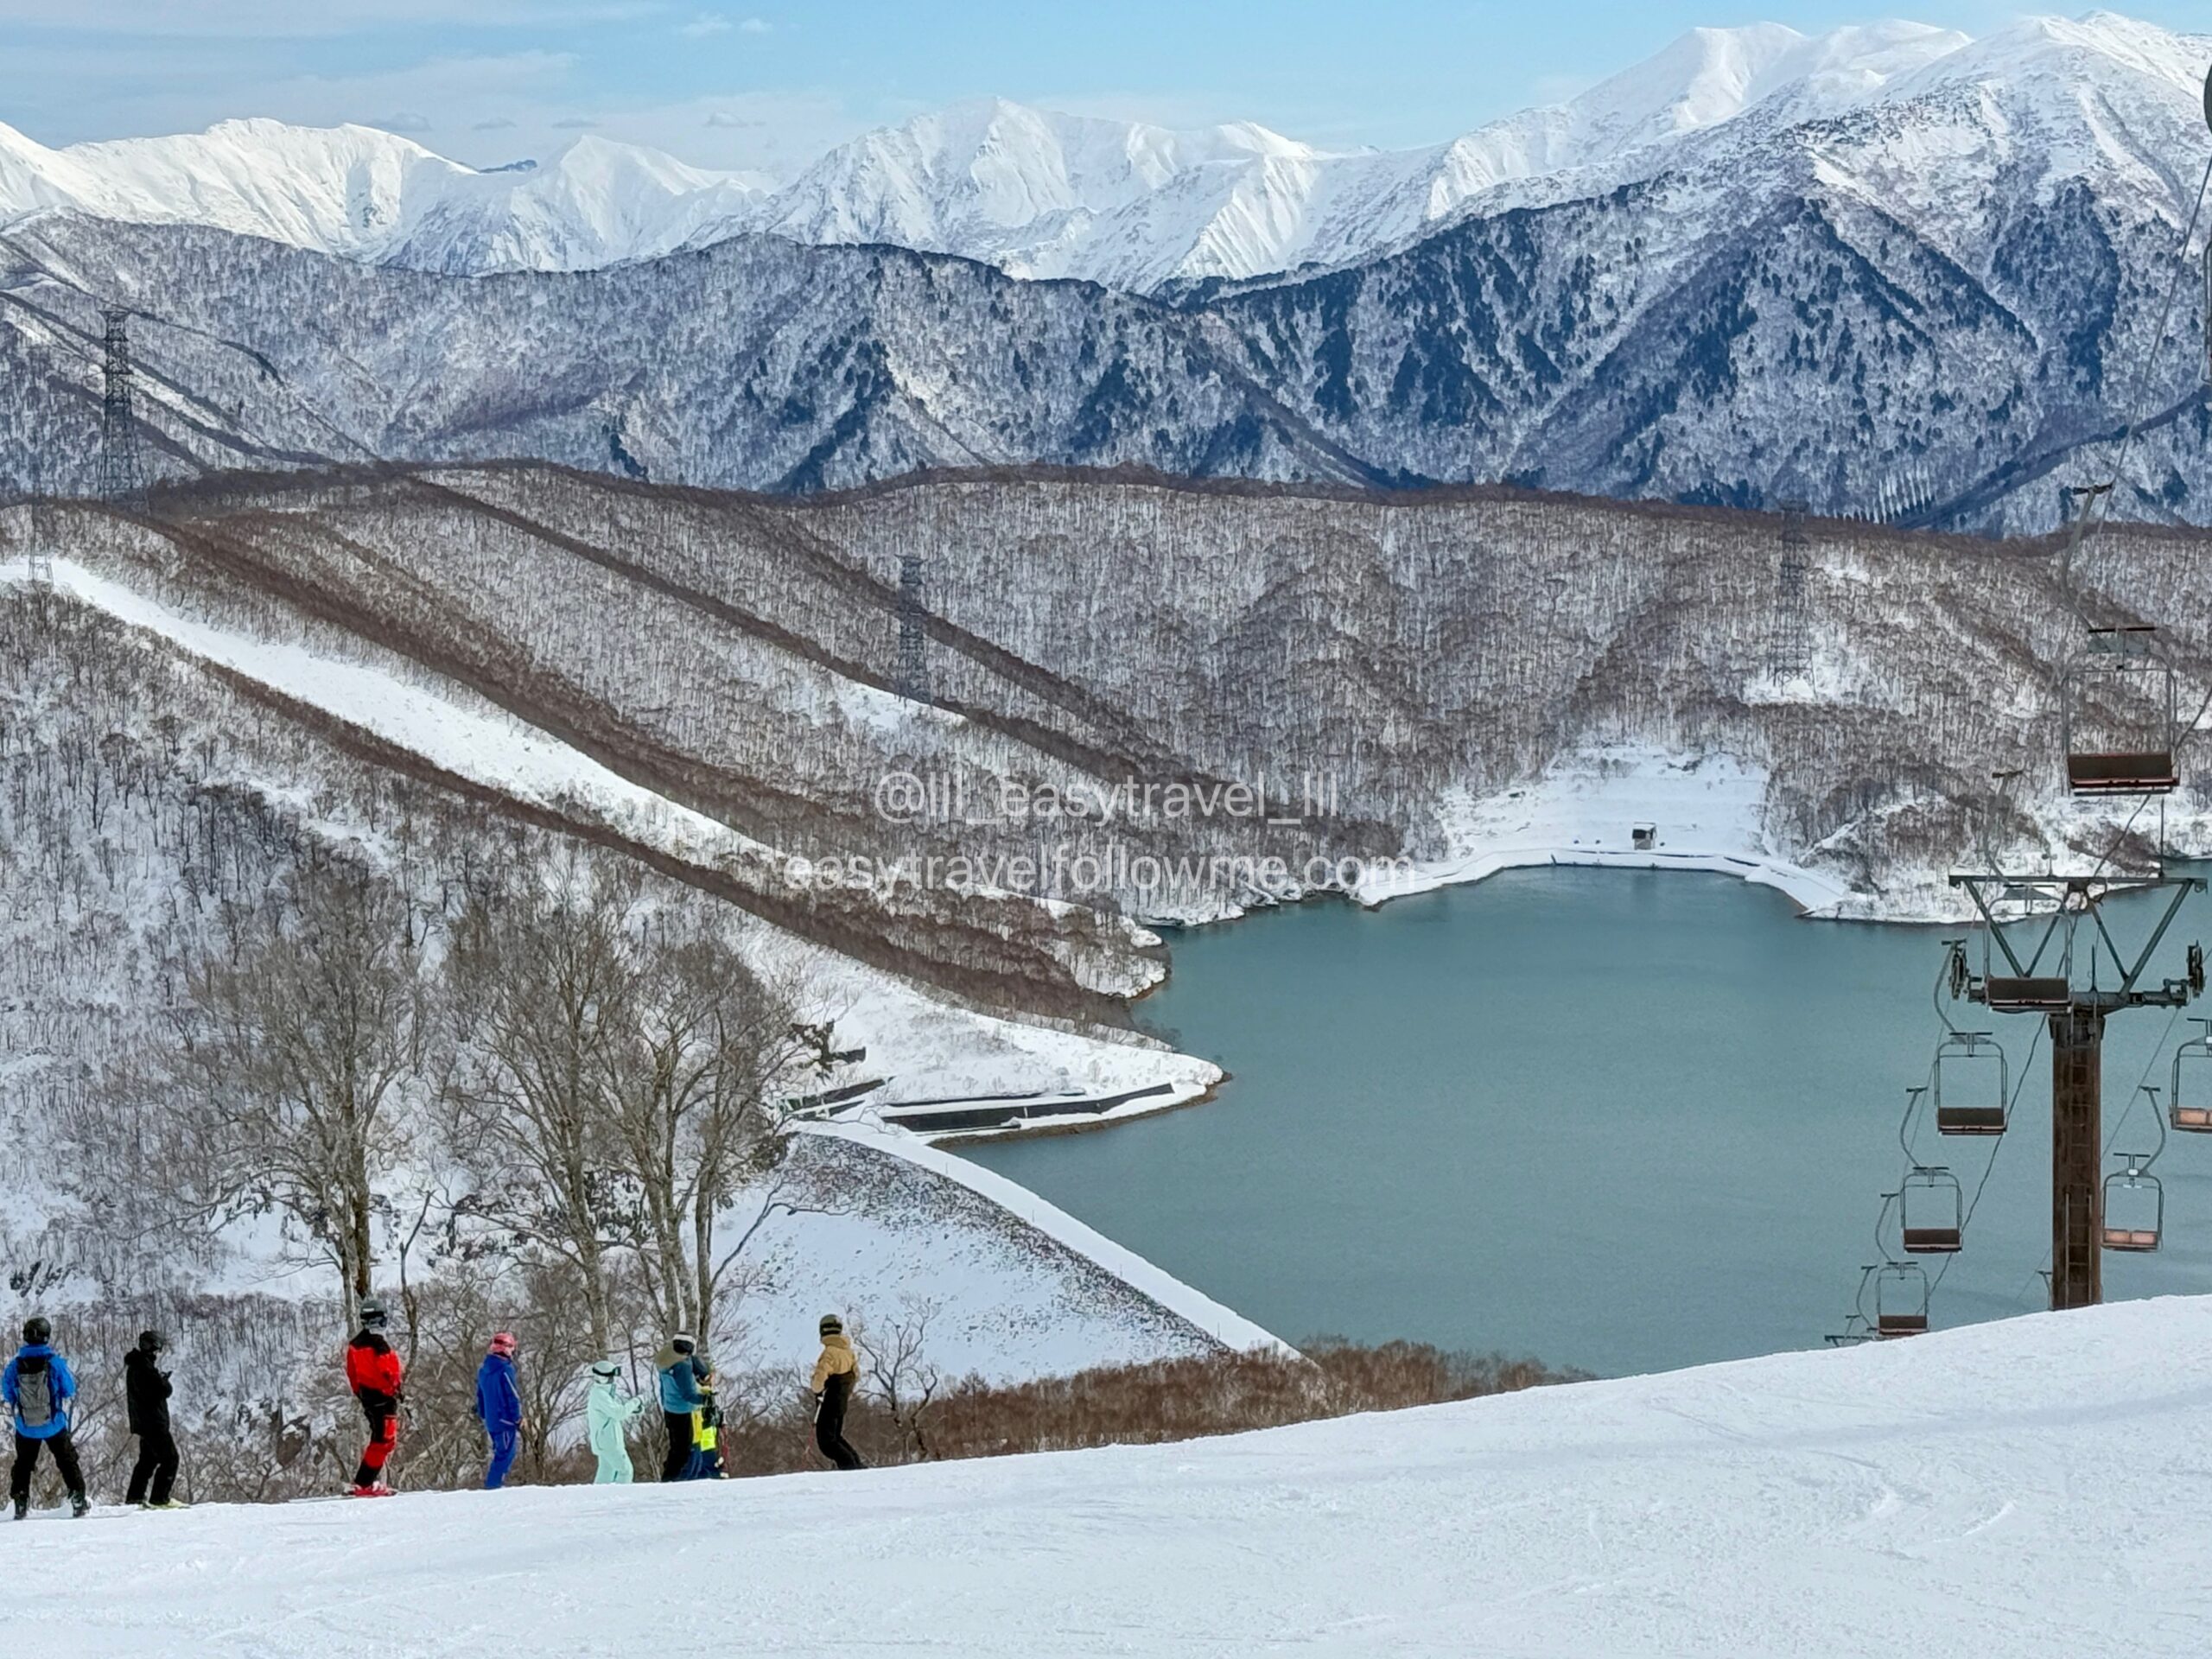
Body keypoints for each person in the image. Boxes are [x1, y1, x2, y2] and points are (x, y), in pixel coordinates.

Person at [3, 1316, 88, 1519]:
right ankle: (77, 1498)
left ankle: (20, 1502)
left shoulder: (15, 1365)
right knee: (67, 1460)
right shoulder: (54, 1362)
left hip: (26, 1426)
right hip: (54, 1424)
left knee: (23, 1464)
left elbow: (7, 1393)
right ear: (46, 1336)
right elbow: (69, 1390)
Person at [343, 1297, 404, 1497]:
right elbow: (390, 1373)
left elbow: (352, 1374)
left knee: (379, 1439)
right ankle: (364, 1483)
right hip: (384, 1399)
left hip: (368, 1398)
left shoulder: (355, 1345)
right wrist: (395, 1390)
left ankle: (364, 1482)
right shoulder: (380, 1346)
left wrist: (361, 1394)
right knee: (384, 1441)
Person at [124, 1329, 182, 1510]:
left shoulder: (136, 1365)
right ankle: (160, 1498)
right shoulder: (144, 1368)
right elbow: (162, 1391)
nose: (157, 1353)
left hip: (144, 1423)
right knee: (170, 1459)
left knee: (147, 1461)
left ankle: (134, 1498)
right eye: (157, 1349)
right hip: (154, 1423)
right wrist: (163, 1381)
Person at [809, 1313, 864, 1472]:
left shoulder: (829, 1353)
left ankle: (851, 1467)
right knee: (836, 1436)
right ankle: (856, 1464)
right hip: (842, 1399)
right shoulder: (848, 1352)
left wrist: (817, 1389)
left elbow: (819, 1380)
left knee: (827, 1442)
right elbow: (856, 1374)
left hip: (829, 1400)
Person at [473, 1332, 524, 1491]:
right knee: (505, 1454)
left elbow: (480, 1395)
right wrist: (517, 1417)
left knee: (501, 1452)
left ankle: (494, 1484)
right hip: (505, 1420)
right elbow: (512, 1395)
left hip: (491, 1420)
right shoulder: (505, 1369)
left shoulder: (483, 1370)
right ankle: (493, 1486)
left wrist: (483, 1413)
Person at [585, 1360, 647, 1484]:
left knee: (606, 1473)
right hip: (609, 1442)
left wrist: (633, 1410)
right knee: (626, 1471)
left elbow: (613, 1411)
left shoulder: (602, 1393)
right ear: (603, 1378)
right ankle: (620, 1494)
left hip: (605, 1441)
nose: (613, 1380)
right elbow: (619, 1413)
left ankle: (599, 1495)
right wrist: (637, 1401)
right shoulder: (600, 1395)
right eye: (611, 1377)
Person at [656, 1332, 703, 1482]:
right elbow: (688, 1394)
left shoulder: (665, 1359)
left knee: (675, 1447)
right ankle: (670, 1480)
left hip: (669, 1408)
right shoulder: (683, 1365)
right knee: (683, 1450)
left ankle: (668, 1475)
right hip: (683, 1411)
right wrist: (705, 1399)